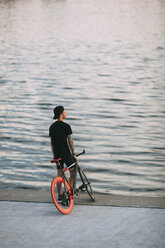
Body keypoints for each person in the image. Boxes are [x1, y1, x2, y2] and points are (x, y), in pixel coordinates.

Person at [49, 106, 77, 199]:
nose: (66, 114)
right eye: (65, 112)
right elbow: (70, 141)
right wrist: (73, 154)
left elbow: (52, 143)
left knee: (59, 174)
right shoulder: (66, 126)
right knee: (73, 172)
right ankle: (69, 192)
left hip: (57, 155)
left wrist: (54, 156)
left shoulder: (52, 127)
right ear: (61, 114)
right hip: (66, 154)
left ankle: (60, 195)